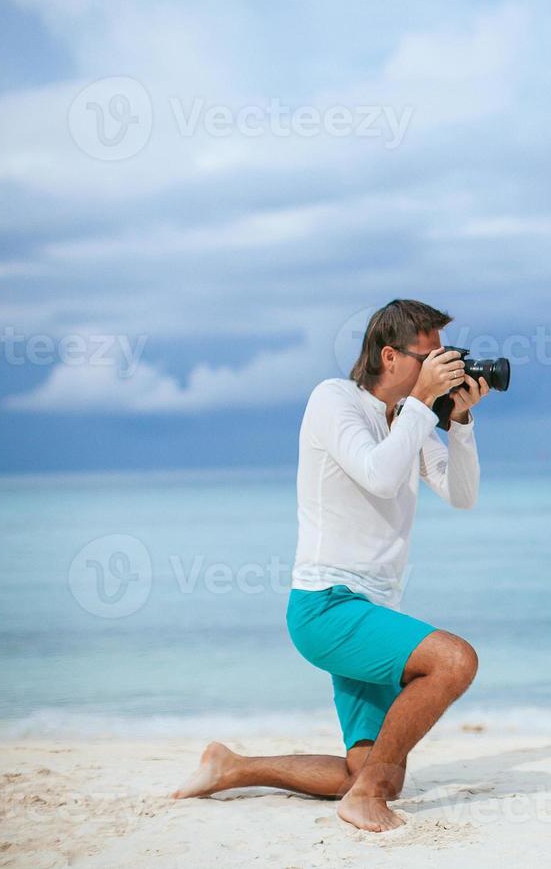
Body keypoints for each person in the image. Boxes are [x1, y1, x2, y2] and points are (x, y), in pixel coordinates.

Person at [171, 299, 490, 832]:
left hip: (368, 612)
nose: (443, 366)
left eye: (447, 356)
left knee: (364, 771)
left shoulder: (409, 423)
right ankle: (363, 798)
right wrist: (419, 404)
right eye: (431, 355)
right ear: (390, 356)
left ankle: (231, 767)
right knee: (454, 661)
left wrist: (459, 423)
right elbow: (379, 475)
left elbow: (462, 495)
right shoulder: (334, 400)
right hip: (326, 606)